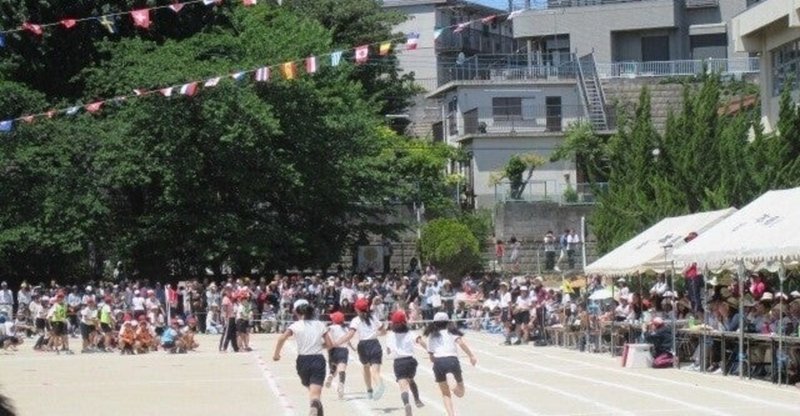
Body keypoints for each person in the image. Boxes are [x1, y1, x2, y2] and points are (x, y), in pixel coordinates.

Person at [273, 299, 333, 416]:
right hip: (317, 359)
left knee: (311, 390)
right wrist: (319, 345)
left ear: (297, 312)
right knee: (315, 394)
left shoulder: (295, 325)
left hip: (303, 361)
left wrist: (276, 354)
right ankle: (314, 407)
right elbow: (330, 344)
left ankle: (315, 409)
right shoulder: (320, 324)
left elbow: (281, 338)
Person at [420, 312, 477, 416]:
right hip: (453, 360)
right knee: (461, 393)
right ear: (448, 322)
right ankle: (452, 385)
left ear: (434, 323)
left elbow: (431, 356)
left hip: (438, 362)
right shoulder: (452, 332)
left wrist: (436, 361)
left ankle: (451, 414)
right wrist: (471, 356)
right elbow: (461, 343)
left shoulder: (431, 335)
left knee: (445, 393)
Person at [335, 297, 386, 400]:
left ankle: (369, 390)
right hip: (375, 344)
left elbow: (350, 335)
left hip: (363, 345)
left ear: (357, 309)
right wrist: (376, 333)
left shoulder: (356, 320)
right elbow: (383, 331)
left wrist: (337, 343)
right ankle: (379, 384)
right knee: (375, 371)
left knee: (365, 367)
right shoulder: (373, 318)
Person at [386, 310, 424, 415]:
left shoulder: (390, 335)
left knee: (403, 386)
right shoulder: (411, 333)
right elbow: (421, 341)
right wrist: (430, 352)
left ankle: (407, 403)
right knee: (411, 380)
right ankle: (417, 400)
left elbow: (388, 351)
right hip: (410, 361)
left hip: (398, 362)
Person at [324, 311, 350, 399]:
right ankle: (341, 384)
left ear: (334, 320)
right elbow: (347, 339)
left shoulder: (332, 327)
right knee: (342, 369)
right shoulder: (346, 328)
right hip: (343, 349)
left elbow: (326, 330)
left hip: (332, 349)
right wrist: (353, 348)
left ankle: (331, 375)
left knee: (333, 366)